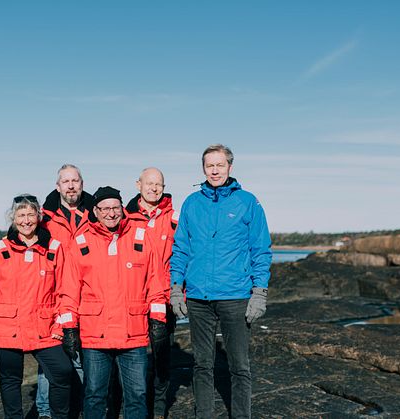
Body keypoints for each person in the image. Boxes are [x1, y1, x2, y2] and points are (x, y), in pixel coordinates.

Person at [169, 144, 272, 419]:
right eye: (209, 166)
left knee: (239, 366)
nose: (214, 170)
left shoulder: (248, 202)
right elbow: (180, 248)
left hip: (235, 296)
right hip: (199, 298)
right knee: (202, 364)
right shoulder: (192, 203)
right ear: (204, 168)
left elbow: (260, 249)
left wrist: (259, 292)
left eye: (220, 165)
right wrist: (176, 288)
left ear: (230, 167)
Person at [59, 186, 169, 419]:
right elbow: (68, 291)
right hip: (95, 335)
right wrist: (69, 328)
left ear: (122, 209)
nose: (111, 213)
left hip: (134, 333)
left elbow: (156, 283)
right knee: (94, 394)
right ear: (95, 211)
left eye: (115, 208)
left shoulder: (141, 236)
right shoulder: (80, 242)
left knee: (137, 394)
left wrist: (158, 321)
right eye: (105, 208)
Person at [0, 194, 74, 419]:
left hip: (44, 327)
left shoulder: (54, 248)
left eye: (30, 215)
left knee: (62, 372)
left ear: (39, 216)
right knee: (10, 380)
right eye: (21, 215)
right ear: (13, 218)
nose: (26, 220)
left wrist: (60, 326)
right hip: (7, 326)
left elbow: (65, 292)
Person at [39, 163, 94, 418]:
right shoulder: (45, 218)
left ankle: (80, 407)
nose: (71, 186)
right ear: (57, 186)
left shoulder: (96, 213)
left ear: (82, 183)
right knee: (52, 356)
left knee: (84, 355)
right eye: (66, 181)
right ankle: (45, 411)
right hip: (53, 295)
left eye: (75, 181)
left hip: (88, 294)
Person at [125, 167, 177, 419]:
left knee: (161, 357)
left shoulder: (175, 217)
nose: (154, 188)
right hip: (133, 299)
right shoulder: (124, 217)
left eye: (159, 184)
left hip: (165, 299)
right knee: (131, 357)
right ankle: (134, 405)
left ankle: (158, 409)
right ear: (138, 185)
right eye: (149, 183)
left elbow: (186, 256)